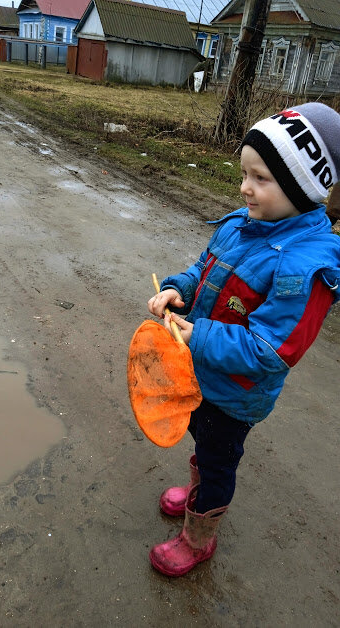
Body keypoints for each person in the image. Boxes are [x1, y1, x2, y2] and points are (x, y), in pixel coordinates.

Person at [146, 102, 340, 577]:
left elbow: (273, 350)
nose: (244, 187)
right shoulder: (243, 223)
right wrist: (178, 288)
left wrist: (198, 337)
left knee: (218, 461)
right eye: (244, 174)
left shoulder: (307, 267)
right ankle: (197, 494)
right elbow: (204, 269)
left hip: (235, 396)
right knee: (201, 440)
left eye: (260, 178)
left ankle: (198, 538)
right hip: (202, 372)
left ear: (303, 188)